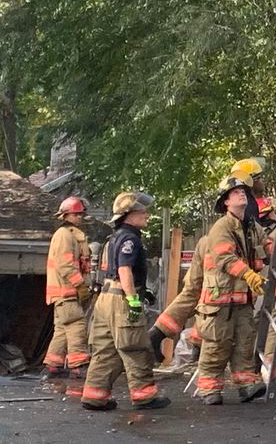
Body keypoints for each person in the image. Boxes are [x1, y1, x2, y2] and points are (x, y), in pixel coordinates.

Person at [147, 168, 261, 363]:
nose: (242, 192)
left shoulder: (240, 193)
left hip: (211, 244)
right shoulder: (246, 197)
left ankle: (160, 334)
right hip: (221, 249)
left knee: (194, 293)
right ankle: (191, 343)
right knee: (213, 297)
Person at [80, 192, 170, 411]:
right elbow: (124, 269)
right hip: (121, 300)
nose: (146, 215)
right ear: (129, 214)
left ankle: (95, 396)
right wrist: (133, 300)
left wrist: (143, 291)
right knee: (135, 347)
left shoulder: (114, 238)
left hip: (106, 299)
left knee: (105, 350)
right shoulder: (131, 239)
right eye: (142, 212)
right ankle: (144, 396)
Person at [195, 175, 267, 405]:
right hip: (219, 300)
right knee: (217, 345)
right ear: (226, 202)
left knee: (245, 343)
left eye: (243, 191)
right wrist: (248, 274)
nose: (241, 194)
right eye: (235, 192)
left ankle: (246, 384)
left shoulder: (252, 226)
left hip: (242, 299)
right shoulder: (221, 228)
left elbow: (265, 246)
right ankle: (209, 389)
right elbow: (225, 258)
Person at [43, 197, 93, 378]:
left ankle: (54, 365)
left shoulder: (68, 234)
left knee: (62, 330)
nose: (80, 217)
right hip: (68, 292)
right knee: (76, 326)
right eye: (76, 214)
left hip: (63, 294)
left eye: (81, 214)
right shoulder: (64, 235)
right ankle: (78, 365)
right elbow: (65, 265)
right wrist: (80, 285)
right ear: (66, 215)